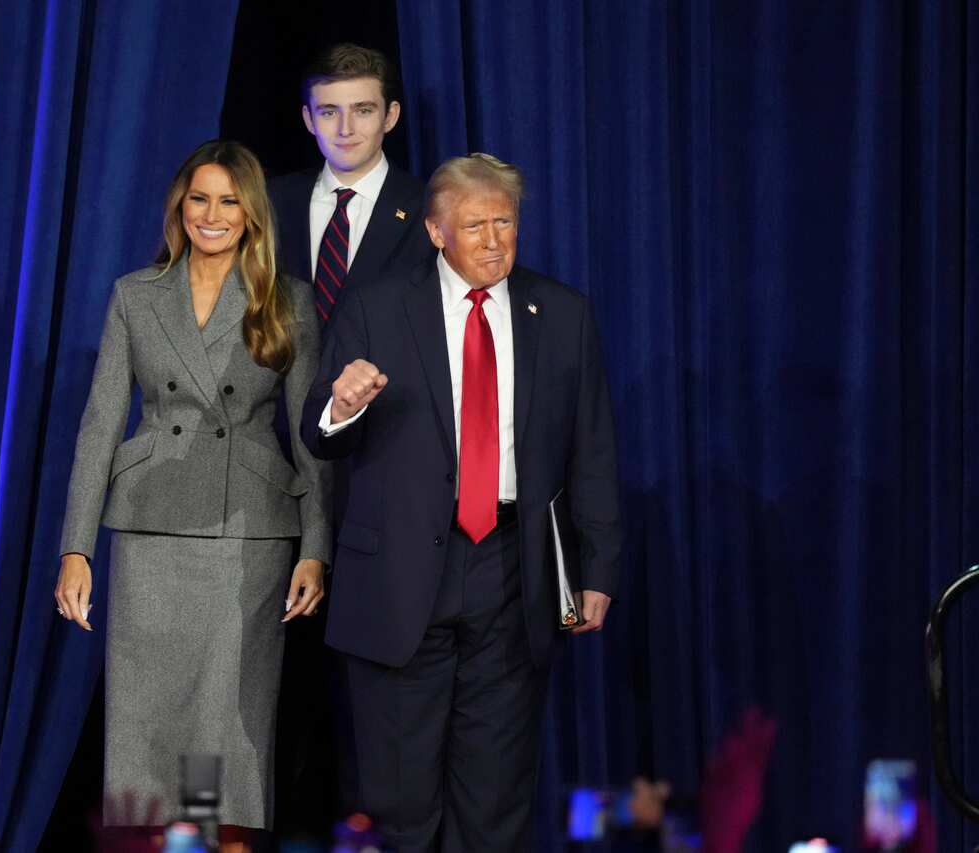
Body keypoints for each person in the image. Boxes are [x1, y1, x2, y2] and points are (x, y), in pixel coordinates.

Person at [301, 153, 623, 851]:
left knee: (495, 795)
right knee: (399, 799)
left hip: (511, 570)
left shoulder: (562, 314)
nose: (493, 240)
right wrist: (341, 405)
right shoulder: (378, 305)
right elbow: (316, 436)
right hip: (399, 575)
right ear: (435, 230)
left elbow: (592, 450)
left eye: (504, 221)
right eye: (474, 224)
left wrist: (597, 569)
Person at [54, 140, 332, 834]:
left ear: (251, 213)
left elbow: (310, 436)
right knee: (146, 724)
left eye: (229, 200)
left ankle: (210, 840)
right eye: (199, 198)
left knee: (223, 731)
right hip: (150, 529)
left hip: (247, 537)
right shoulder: (136, 294)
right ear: (180, 205)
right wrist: (75, 548)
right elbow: (97, 424)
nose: (212, 214)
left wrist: (315, 547)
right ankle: (154, 841)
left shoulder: (287, 300)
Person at [268, 43, 436, 324]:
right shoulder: (272, 200)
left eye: (363, 111)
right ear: (309, 119)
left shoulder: (428, 207)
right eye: (329, 112)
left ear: (390, 117)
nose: (346, 129)